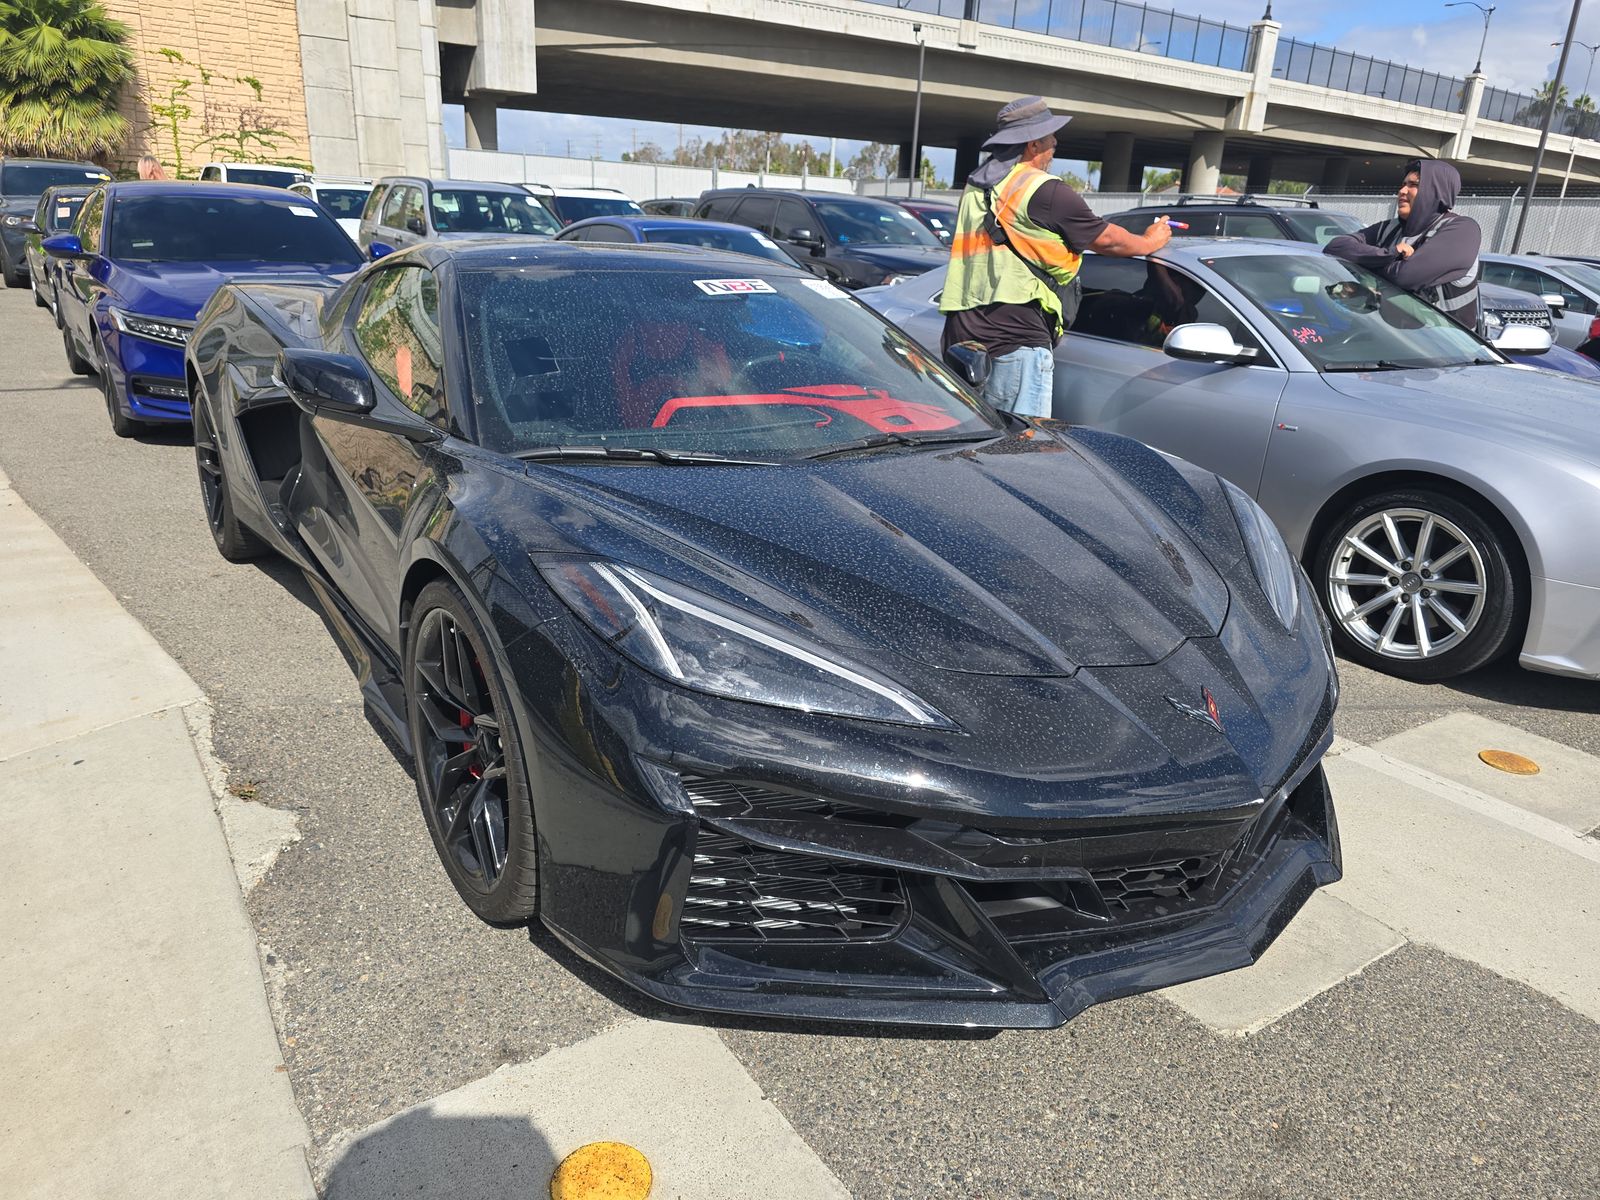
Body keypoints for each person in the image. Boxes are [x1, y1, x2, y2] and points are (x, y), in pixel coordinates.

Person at [941, 96, 1173, 416]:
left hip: (962, 335)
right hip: (1015, 340)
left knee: (974, 447)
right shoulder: (1043, 189)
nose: (1056, 144)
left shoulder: (977, 186)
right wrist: (1150, 240)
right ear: (1034, 145)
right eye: (1051, 138)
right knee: (1021, 451)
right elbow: (1108, 240)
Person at [1323, 159, 1480, 332]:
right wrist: (1389, 253)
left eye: (1413, 185)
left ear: (1436, 191)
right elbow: (1336, 246)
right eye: (1403, 184)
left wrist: (1369, 267)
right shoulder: (1390, 229)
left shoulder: (1463, 230)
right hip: (1394, 343)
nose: (1402, 191)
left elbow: (1406, 276)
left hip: (1449, 351)